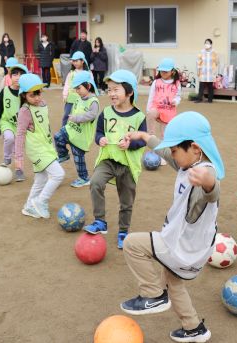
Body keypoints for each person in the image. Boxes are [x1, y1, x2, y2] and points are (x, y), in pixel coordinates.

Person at [121, 111, 225, 343]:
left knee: (132, 244)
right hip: (193, 246)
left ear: (195, 149)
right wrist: (143, 136)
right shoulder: (187, 162)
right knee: (172, 280)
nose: (172, 155)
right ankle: (194, 328)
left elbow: (212, 189)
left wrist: (208, 182)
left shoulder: (204, 172)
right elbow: (164, 151)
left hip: (183, 246)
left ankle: (153, 294)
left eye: (176, 150)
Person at [83, 70, 147, 249]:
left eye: (115, 89)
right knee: (95, 182)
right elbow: (99, 132)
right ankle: (100, 221)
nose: (111, 93)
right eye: (109, 89)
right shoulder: (106, 113)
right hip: (108, 159)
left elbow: (143, 140)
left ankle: (123, 231)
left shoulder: (139, 117)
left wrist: (130, 145)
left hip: (128, 165)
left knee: (126, 201)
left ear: (129, 92)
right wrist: (99, 139)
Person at [15, 73, 65, 219]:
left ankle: (29, 206)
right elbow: (19, 134)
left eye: (39, 93)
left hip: (46, 147)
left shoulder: (43, 105)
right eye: (32, 95)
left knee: (41, 179)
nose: (37, 97)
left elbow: (46, 128)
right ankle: (41, 201)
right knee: (58, 174)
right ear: (24, 95)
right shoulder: (25, 111)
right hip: (36, 150)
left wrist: (52, 145)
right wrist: (18, 157)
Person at [55, 70, 99, 188]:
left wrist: (76, 118)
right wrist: (71, 120)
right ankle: (63, 154)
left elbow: (92, 115)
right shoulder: (79, 98)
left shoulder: (93, 101)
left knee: (78, 158)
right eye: (76, 89)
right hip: (70, 129)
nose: (77, 91)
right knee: (58, 136)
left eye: (79, 88)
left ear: (88, 86)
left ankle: (84, 178)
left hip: (81, 137)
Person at [0, 63, 28, 180]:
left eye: (21, 75)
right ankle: (6, 158)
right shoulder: (4, 91)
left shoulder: (25, 94)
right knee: (9, 138)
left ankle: (19, 170)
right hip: (6, 122)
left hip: (20, 126)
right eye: (15, 74)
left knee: (18, 150)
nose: (18, 77)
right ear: (10, 77)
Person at [146, 58, 181, 165]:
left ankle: (164, 155)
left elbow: (178, 96)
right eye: (161, 71)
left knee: (165, 135)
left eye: (166, 71)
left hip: (169, 112)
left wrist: (175, 101)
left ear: (172, 71)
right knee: (151, 120)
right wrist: (149, 109)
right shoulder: (156, 82)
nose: (163, 73)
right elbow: (151, 96)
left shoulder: (176, 83)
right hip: (157, 108)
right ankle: (152, 144)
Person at [62, 51, 91, 126]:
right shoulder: (71, 73)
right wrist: (65, 95)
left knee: (80, 115)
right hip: (71, 98)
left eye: (76, 61)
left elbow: (90, 85)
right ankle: (63, 131)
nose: (74, 63)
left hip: (83, 99)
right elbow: (67, 84)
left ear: (82, 61)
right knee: (66, 115)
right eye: (73, 61)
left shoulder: (88, 73)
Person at [194, 39, 219, 103]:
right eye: (205, 43)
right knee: (201, 85)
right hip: (203, 72)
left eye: (208, 43)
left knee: (210, 86)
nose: (206, 44)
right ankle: (199, 99)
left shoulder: (214, 52)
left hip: (211, 72)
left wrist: (214, 70)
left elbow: (217, 62)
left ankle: (210, 100)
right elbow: (198, 61)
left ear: (211, 44)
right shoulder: (201, 52)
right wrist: (198, 70)